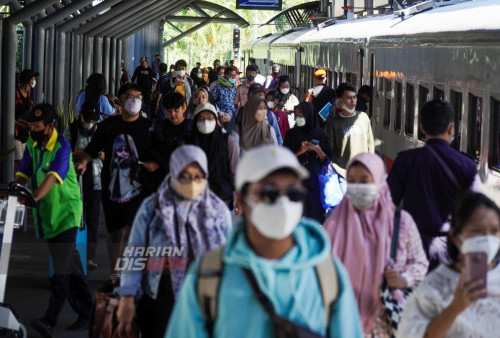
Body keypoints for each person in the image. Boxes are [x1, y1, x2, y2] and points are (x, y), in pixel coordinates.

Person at [166, 145, 363, 337]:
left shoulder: (327, 273)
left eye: (293, 194)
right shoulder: (208, 275)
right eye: (270, 193)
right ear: (241, 200)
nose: (283, 204)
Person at [115, 145, 231, 338]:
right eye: (185, 176)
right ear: (173, 173)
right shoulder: (152, 207)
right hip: (160, 297)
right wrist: (127, 298)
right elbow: (134, 253)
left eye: (198, 177)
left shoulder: (218, 211)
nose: (192, 183)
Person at [324, 153, 429, 336]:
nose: (357, 187)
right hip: (341, 325)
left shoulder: (401, 223)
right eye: (351, 181)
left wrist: (405, 278)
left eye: (364, 181)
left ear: (379, 181)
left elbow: (420, 263)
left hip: (385, 324)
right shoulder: (332, 226)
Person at [15, 103, 92, 336]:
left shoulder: (62, 146)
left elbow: (51, 178)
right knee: (71, 267)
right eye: (31, 126)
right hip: (49, 215)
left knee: (61, 271)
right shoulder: (32, 144)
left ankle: (49, 319)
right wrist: (16, 188)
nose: (32, 129)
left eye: (37, 126)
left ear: (49, 127)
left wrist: (33, 197)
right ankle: (89, 312)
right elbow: (24, 171)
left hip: (66, 213)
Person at [387, 99, 482, 270]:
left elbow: (387, 208)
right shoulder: (466, 165)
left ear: (422, 127)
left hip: (411, 249)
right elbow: (478, 216)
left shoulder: (405, 161)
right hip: (451, 251)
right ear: (451, 128)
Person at [74, 83, 157, 279]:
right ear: (119, 101)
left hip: (141, 187)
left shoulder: (149, 127)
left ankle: (136, 271)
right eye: (129, 96)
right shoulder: (108, 126)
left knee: (132, 229)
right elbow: (91, 150)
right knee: (115, 232)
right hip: (112, 187)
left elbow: (160, 153)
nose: (134, 100)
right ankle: (115, 271)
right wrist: (83, 162)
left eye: (138, 96)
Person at [398, 192, 500, 338]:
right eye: (477, 231)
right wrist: (455, 307)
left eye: (494, 231)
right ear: (455, 236)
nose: (487, 239)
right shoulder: (434, 287)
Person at [67, 102, 103, 272]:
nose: (90, 122)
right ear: (81, 115)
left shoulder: (102, 130)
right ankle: (74, 253)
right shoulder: (73, 128)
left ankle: (89, 256)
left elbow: (107, 152)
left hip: (96, 178)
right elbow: (65, 151)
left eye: (93, 120)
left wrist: (102, 154)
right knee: (76, 217)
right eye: (88, 119)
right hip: (75, 178)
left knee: (93, 218)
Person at [284, 102, 331, 223]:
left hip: (315, 182)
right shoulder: (291, 134)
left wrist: (318, 150)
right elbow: (284, 159)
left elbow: (327, 161)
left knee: (315, 217)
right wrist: (299, 151)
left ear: (309, 115)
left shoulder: (321, 135)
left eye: (302, 115)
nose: (298, 118)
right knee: (294, 218)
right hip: (295, 181)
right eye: (297, 115)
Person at [188, 103, 239, 208]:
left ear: (216, 121)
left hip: (221, 200)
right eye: (201, 119)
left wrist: (237, 199)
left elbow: (235, 172)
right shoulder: (188, 142)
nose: (206, 122)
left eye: (210, 118)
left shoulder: (227, 141)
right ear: (195, 121)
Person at [326, 82, 374, 176]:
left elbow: (370, 144)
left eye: (354, 97)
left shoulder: (363, 117)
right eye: (349, 98)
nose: (353, 101)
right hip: (343, 175)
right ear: (340, 101)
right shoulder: (333, 123)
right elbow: (329, 150)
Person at [149, 93, 193, 176]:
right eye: (169, 111)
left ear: (183, 108)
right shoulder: (160, 126)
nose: (172, 114)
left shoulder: (192, 127)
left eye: (176, 111)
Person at [14, 69, 38, 169]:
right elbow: (8, 117)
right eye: (33, 79)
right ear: (29, 81)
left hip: (24, 135)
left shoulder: (29, 98)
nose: (34, 81)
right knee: (19, 163)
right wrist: (23, 125)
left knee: (24, 164)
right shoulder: (15, 95)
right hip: (14, 135)